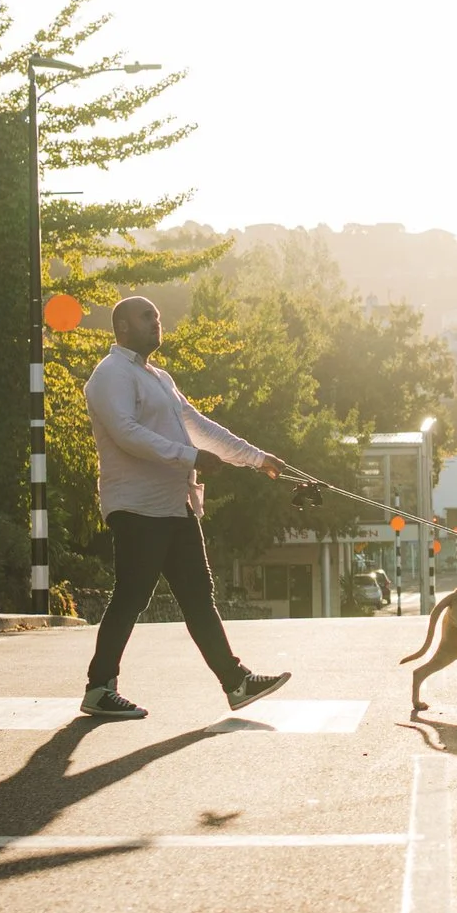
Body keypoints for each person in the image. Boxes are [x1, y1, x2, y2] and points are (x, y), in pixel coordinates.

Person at [79, 295, 293, 720]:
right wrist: (188, 457)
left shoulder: (158, 377)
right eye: (147, 316)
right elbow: (126, 433)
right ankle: (100, 688)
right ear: (122, 326)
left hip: (175, 507)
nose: (157, 322)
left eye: (158, 315)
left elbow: (198, 426)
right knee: (132, 596)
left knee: (199, 597)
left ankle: (236, 683)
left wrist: (258, 458)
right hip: (137, 507)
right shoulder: (109, 375)